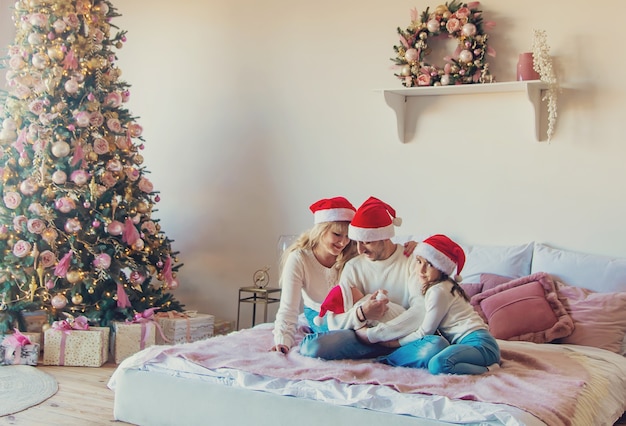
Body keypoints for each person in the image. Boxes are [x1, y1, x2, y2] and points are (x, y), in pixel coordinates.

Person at [299, 197, 448, 362]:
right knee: (311, 347)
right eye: (357, 242)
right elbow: (335, 320)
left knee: (437, 345)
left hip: (399, 339)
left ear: (385, 236)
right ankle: (395, 359)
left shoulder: (411, 260)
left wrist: (376, 335)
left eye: (367, 242)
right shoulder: (353, 266)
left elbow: (421, 310)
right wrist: (362, 314)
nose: (360, 249)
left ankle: (387, 358)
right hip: (360, 338)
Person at [373, 234, 501, 375]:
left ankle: (489, 370)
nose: (421, 270)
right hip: (470, 344)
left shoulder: (439, 291)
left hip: (480, 345)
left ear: (442, 269)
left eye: (430, 265)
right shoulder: (441, 287)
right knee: (436, 354)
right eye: (419, 262)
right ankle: (386, 360)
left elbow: (425, 332)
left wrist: (395, 343)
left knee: (438, 364)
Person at [270, 196, 358, 354]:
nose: (343, 242)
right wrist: (283, 340)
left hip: (352, 315)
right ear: (321, 230)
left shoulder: (352, 254)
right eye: (337, 234)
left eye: (348, 236)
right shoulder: (299, 258)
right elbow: (288, 308)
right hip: (320, 315)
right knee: (331, 342)